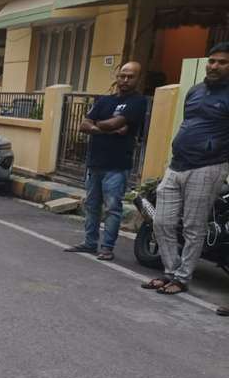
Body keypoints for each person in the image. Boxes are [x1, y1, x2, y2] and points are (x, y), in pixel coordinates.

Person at [142, 43, 229, 297]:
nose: (214, 66)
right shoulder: (195, 91)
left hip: (208, 167)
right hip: (178, 163)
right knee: (161, 220)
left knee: (194, 226)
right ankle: (170, 271)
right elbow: (189, 122)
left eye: (222, 62)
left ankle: (181, 278)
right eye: (212, 61)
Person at [65, 62, 147, 261]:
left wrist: (100, 126)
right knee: (92, 206)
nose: (125, 80)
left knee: (112, 209)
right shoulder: (104, 101)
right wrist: (106, 128)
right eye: (122, 76)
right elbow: (84, 124)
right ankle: (90, 243)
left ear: (137, 79)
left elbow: (115, 123)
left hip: (117, 166)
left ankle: (107, 248)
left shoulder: (138, 101)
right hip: (95, 163)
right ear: (117, 77)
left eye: (130, 77)